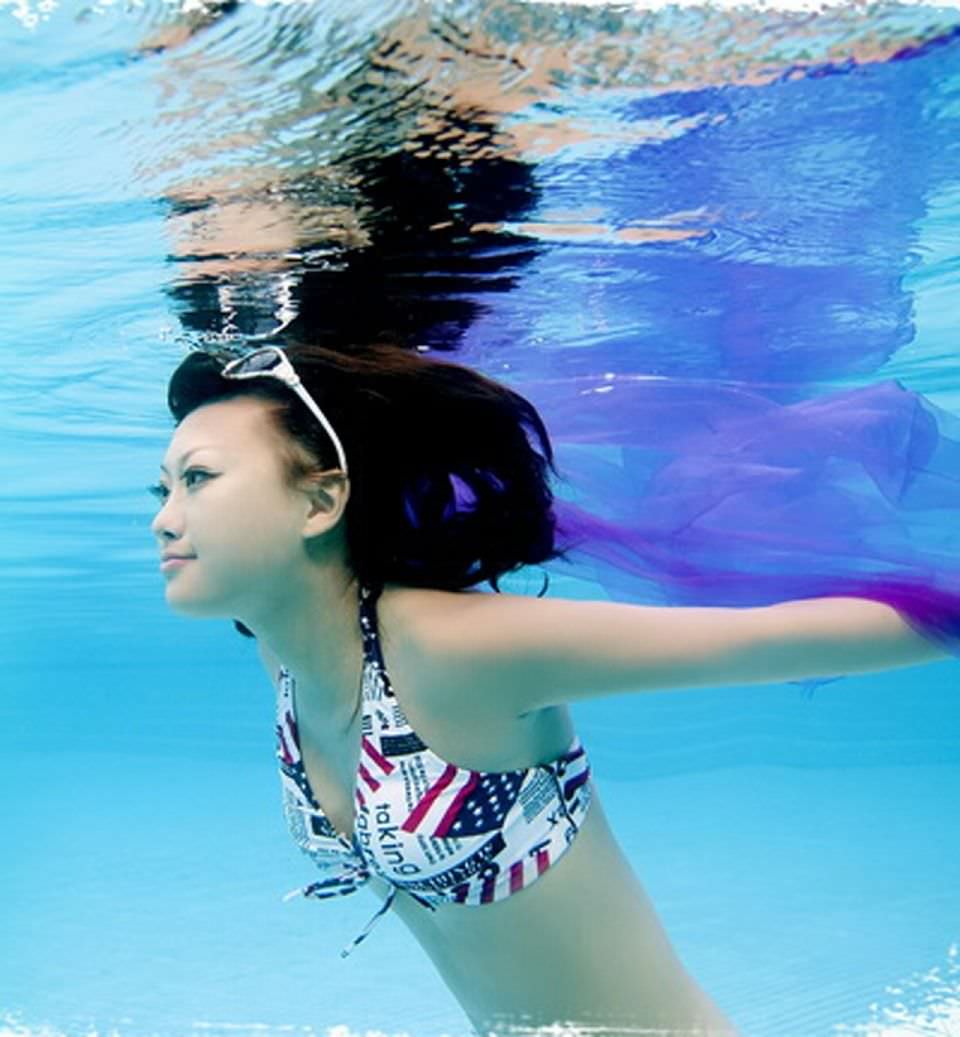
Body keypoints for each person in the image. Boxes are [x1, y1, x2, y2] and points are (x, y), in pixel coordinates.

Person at [150, 341, 949, 1037]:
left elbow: (767, 641)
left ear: (322, 499)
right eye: (164, 489)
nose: (164, 518)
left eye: (198, 479)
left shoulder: (453, 648)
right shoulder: (288, 655)